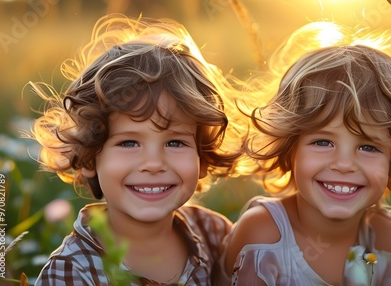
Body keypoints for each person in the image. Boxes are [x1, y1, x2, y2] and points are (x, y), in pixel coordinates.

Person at [222, 22, 391, 285]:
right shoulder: (264, 234)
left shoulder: (386, 239)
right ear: (290, 147)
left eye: (368, 147)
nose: (344, 164)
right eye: (323, 142)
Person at [31, 14, 247, 285]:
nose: (154, 163)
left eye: (175, 142)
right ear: (90, 156)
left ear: (202, 158)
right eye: (129, 143)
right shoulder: (71, 272)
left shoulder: (213, 234)